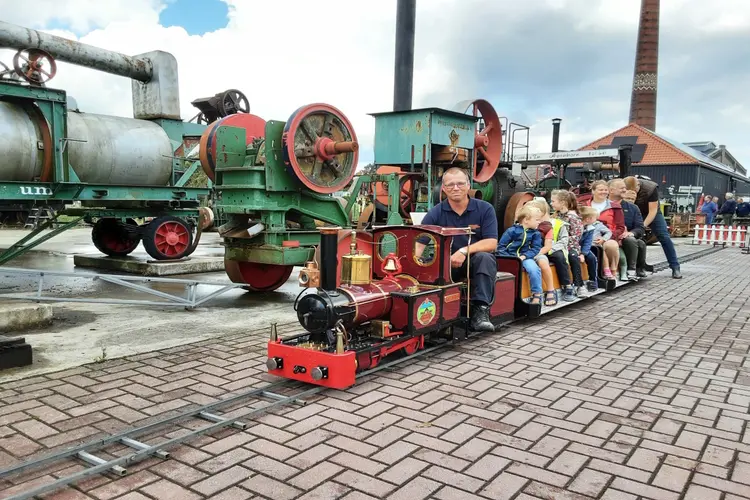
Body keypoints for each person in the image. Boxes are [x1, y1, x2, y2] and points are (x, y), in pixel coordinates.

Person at [416, 167, 498, 332]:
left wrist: (463, 252)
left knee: (485, 258)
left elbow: (491, 243)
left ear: (468, 186)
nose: (455, 188)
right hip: (446, 263)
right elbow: (419, 241)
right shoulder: (435, 212)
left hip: (474, 262)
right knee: (426, 265)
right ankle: (430, 314)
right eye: (450, 184)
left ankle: (481, 312)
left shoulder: (485, 209)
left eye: (460, 183)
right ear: (444, 189)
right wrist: (415, 261)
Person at [624, 176, 681, 279]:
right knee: (633, 238)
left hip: (651, 212)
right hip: (633, 211)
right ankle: (639, 267)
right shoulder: (624, 186)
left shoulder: (650, 188)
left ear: (638, 185)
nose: (634, 193)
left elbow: (652, 211)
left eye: (635, 191)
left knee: (664, 237)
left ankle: (675, 267)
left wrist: (641, 227)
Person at [525, 198, 573, 305]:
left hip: (551, 248)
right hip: (535, 250)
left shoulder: (556, 224)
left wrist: (549, 249)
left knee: (559, 257)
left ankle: (567, 285)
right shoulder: (528, 224)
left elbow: (563, 241)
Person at [497, 206, 543, 305]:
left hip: (525, 257)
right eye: (537, 220)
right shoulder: (511, 231)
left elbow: (536, 248)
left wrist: (524, 256)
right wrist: (508, 258)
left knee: (534, 269)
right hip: (510, 257)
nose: (539, 222)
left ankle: (537, 294)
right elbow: (501, 246)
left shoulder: (536, 234)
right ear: (526, 220)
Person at [580, 180, 624, 280]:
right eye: (600, 190)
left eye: (605, 190)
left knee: (611, 245)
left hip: (608, 235)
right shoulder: (584, 205)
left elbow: (620, 227)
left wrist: (605, 238)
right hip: (588, 235)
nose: (603, 192)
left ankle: (613, 271)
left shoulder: (615, 206)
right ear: (593, 191)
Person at [609, 178, 648, 278]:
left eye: (624, 188)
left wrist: (631, 233)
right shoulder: (604, 206)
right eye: (621, 188)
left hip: (625, 238)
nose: (624, 190)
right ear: (611, 190)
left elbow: (640, 228)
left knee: (635, 241)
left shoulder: (633, 208)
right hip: (610, 236)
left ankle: (633, 269)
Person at [551, 190, 585, 298]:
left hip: (570, 246)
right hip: (557, 245)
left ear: (563, 203)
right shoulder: (555, 217)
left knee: (573, 256)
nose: (551, 203)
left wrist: (564, 246)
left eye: (553, 201)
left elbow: (576, 236)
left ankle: (579, 285)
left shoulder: (573, 218)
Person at [578, 206, 608, 291]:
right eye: (595, 218)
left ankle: (593, 280)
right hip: (573, 247)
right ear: (588, 219)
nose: (596, 220)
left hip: (583, 248)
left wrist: (583, 253)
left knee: (592, 258)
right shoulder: (577, 226)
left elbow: (588, 242)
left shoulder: (590, 228)